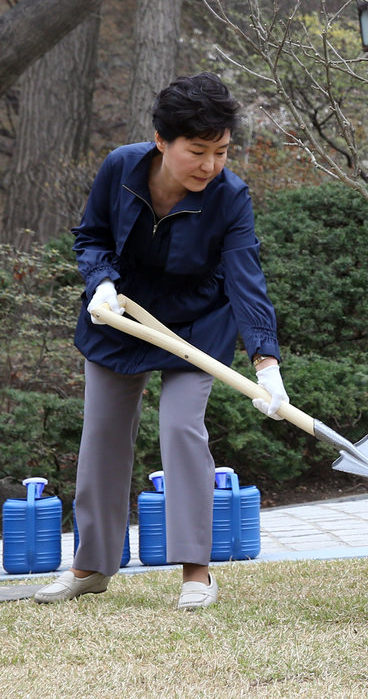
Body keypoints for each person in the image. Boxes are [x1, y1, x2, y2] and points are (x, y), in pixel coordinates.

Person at [34, 72, 289, 609]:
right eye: (198, 151)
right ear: (161, 141)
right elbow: (92, 234)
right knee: (102, 435)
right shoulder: (120, 168)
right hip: (120, 314)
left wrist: (266, 364)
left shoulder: (230, 196)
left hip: (196, 324)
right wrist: (100, 281)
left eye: (220, 151)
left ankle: (197, 572)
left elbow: (246, 279)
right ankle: (90, 566)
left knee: (180, 427)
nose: (210, 166)